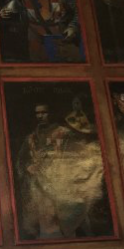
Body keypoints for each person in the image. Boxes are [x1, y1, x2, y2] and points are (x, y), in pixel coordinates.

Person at [16, 99, 108, 239]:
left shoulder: (65, 133)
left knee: (73, 224)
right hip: (41, 188)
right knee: (48, 225)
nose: (40, 116)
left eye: (44, 112)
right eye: (38, 113)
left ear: (51, 113)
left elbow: (82, 156)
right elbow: (22, 160)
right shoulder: (31, 138)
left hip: (65, 187)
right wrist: (28, 167)